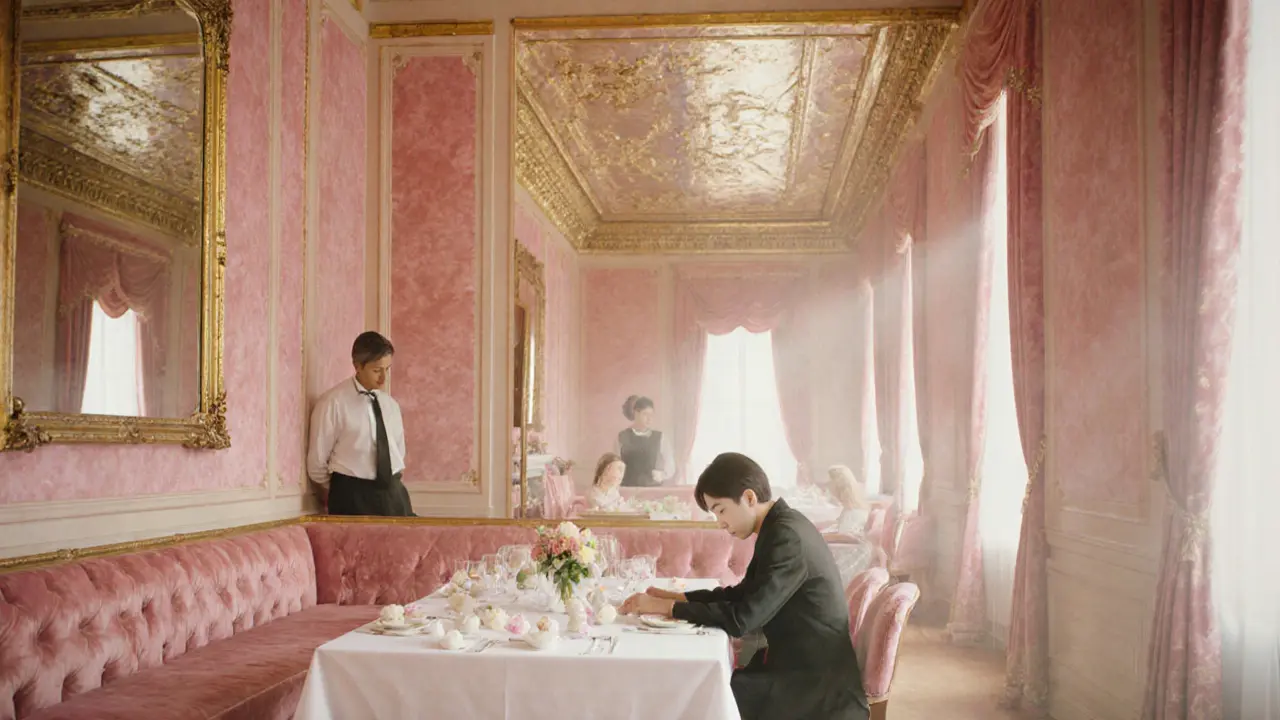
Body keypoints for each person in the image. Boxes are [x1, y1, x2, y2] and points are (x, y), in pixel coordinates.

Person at [621, 453, 868, 720]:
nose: (720, 523)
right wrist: (679, 597)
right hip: (796, 669)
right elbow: (742, 594)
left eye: (721, 510)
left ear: (749, 498)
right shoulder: (779, 527)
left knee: (694, 698)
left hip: (814, 689)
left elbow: (743, 619)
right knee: (694, 691)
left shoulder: (787, 538)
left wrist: (668, 608)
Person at [306, 331, 415, 516]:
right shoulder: (333, 403)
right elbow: (316, 465)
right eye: (376, 370)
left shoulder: (391, 406)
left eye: (386, 369)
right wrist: (344, 488)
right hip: (352, 496)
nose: (383, 378)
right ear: (357, 366)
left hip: (394, 494)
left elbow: (398, 452)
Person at [616, 395, 675, 487]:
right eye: (645, 414)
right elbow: (614, 464)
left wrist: (662, 475)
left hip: (651, 488)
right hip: (627, 487)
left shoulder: (660, 437)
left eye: (651, 415)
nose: (649, 418)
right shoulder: (622, 437)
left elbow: (670, 464)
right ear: (636, 413)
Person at [824, 465, 871, 538]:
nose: (827, 485)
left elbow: (845, 537)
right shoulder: (849, 508)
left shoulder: (853, 512)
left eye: (829, 482)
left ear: (837, 485)